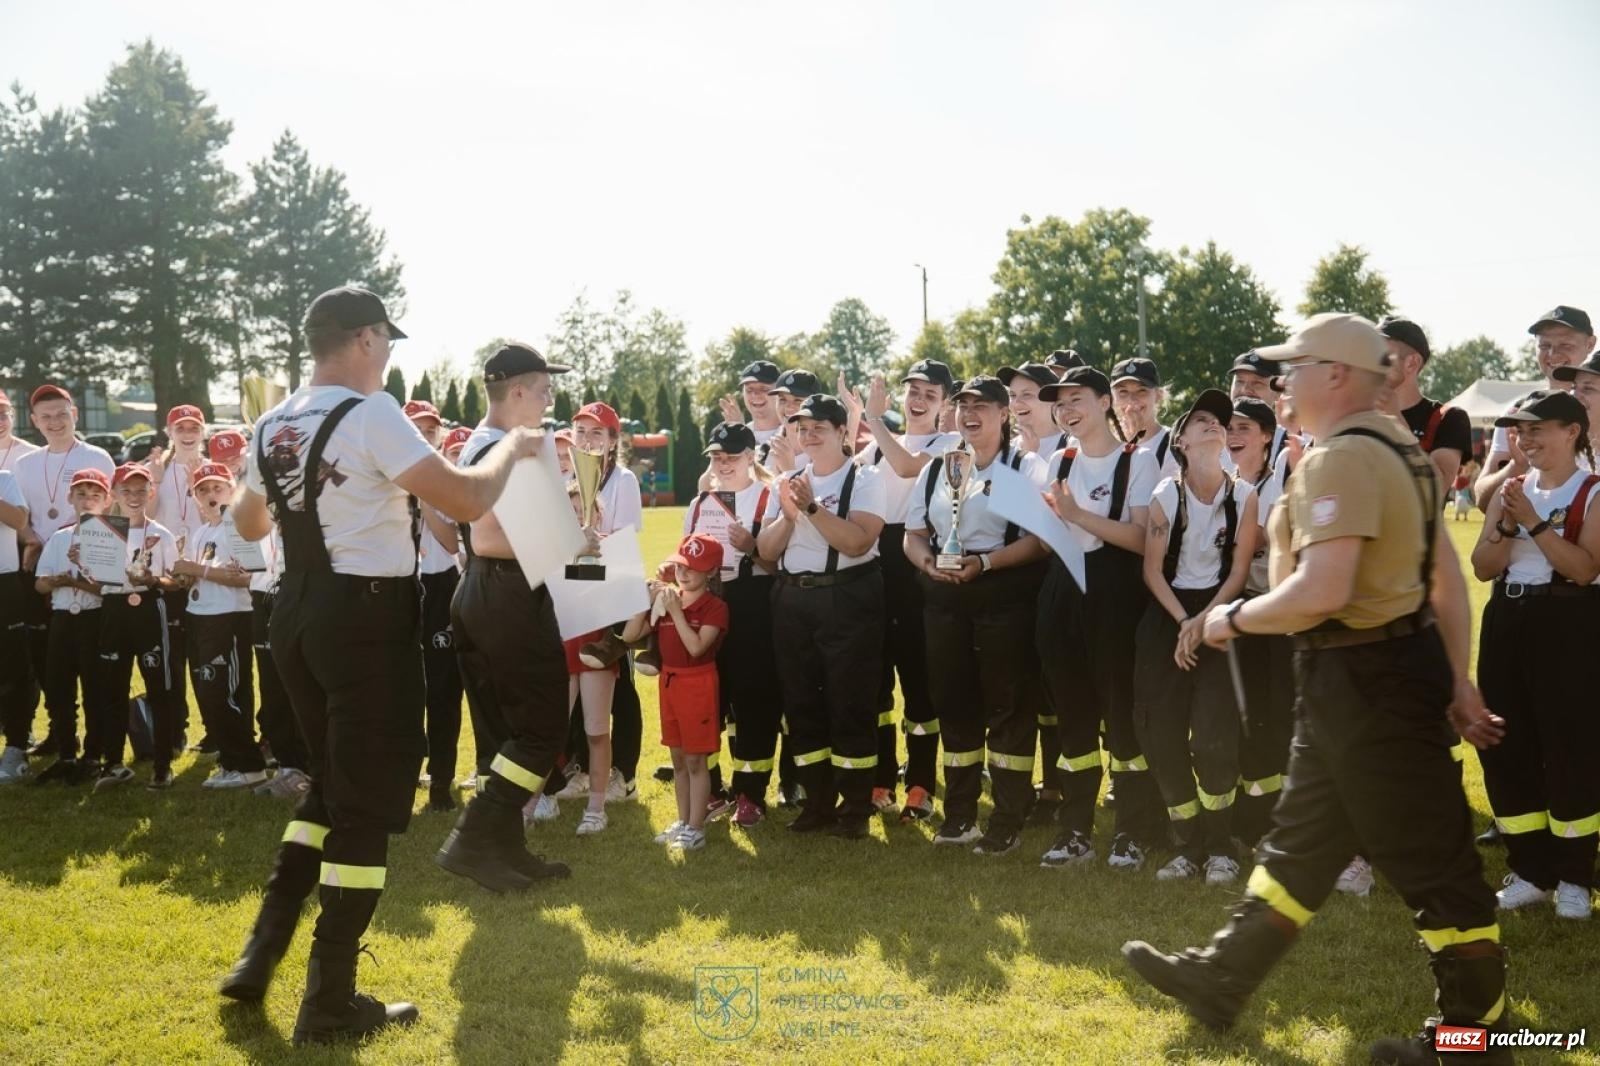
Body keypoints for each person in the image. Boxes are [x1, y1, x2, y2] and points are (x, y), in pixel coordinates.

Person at [1123, 313, 1511, 1064]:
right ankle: (1221, 979)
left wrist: (1227, 618)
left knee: (1437, 867)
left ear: (1334, 373)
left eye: (1293, 367)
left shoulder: (1340, 460)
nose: (1279, 383)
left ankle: (1474, 1040)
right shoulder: (1400, 445)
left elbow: (1321, 589)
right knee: (1301, 844)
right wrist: (1457, 678)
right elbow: (1444, 579)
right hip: (1371, 674)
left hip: (1366, 680)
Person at [217, 290, 544, 1044]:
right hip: (364, 619)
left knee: (333, 783)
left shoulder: (273, 421)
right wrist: (513, 449)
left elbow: (247, 520)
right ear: (364, 340)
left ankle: (261, 952)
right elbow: (462, 500)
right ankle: (331, 999)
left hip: (293, 610)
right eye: (386, 343)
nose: (388, 355)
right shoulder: (370, 413)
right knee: (363, 809)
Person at [434, 342, 575, 891]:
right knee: (541, 731)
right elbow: (491, 538)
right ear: (516, 391)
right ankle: (474, 838)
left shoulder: (481, 443)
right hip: (508, 594)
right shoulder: (505, 448)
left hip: (485, 595)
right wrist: (567, 542)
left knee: (507, 732)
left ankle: (505, 849)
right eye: (544, 389)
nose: (549, 398)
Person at [904, 375, 1049, 855]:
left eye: (982, 406)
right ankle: (960, 814)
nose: (970, 414)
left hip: (1004, 593)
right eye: (963, 405)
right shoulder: (937, 469)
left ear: (1004, 414)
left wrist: (985, 563)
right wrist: (928, 564)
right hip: (945, 596)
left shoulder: (1024, 466)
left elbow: (1040, 541)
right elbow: (913, 534)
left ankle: (1007, 817)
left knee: (1007, 707)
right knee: (954, 703)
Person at [1470, 390, 1599, 921]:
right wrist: (1507, 518)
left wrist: (1537, 524)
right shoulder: (1511, 489)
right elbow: (1482, 565)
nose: (1526, 439)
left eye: (1538, 428)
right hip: (1508, 616)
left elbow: (1585, 569)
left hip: (1568, 620)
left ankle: (1574, 876)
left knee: (1568, 746)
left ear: (1572, 432)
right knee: (1507, 742)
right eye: (1520, 431)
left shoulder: (1591, 490)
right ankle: (1530, 869)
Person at [1034, 365, 1164, 870]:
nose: (1066, 410)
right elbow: (1050, 539)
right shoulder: (1058, 460)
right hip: (1064, 589)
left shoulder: (1139, 461)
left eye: (1076, 399)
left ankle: (1132, 830)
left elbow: (1138, 538)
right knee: (1073, 714)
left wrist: (1079, 517)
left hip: (1114, 594)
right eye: (1059, 403)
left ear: (1104, 402)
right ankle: (1076, 829)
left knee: (1122, 713)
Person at [1134, 390, 1257, 884]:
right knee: (1161, 733)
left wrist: (1202, 621)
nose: (1214, 426)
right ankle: (1186, 845)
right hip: (1167, 613)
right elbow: (1152, 572)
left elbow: (1239, 572)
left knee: (1214, 736)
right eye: (1201, 421)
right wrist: (1182, 622)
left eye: (1220, 422)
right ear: (1181, 441)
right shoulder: (1167, 495)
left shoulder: (1244, 496)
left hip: (1219, 613)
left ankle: (1220, 844)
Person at [757, 393, 887, 840]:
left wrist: (812, 508)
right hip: (794, 600)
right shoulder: (788, 480)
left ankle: (854, 807)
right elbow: (766, 552)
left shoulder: (865, 477)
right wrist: (790, 517)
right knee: (801, 702)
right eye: (802, 428)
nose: (808, 435)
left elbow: (856, 543)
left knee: (849, 702)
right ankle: (816, 802)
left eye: (818, 428)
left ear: (840, 433)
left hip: (847, 599)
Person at [854, 360, 956, 819]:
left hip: (917, 563)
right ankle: (880, 782)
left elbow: (907, 464)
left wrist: (872, 420)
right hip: (874, 568)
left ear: (944, 403)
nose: (918, 399)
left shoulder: (948, 443)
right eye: (912, 390)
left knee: (919, 684)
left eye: (929, 393)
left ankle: (920, 785)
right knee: (875, 684)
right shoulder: (875, 448)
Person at [10, 385, 116, 770]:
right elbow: (21, 516)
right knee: (46, 659)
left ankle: (97, 741)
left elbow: (107, 507)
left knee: (91, 659)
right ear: (35, 422)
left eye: (61, 414)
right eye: (46, 417)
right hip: (41, 564)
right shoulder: (25, 463)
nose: (55, 422)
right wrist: (32, 539)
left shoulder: (96, 456)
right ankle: (60, 734)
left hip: (89, 565)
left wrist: (69, 538)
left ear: (75, 414)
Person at [682, 422, 780, 827]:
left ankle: (750, 794)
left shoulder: (769, 497)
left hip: (753, 604)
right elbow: (687, 558)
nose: (723, 464)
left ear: (751, 456)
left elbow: (777, 564)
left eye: (731, 456)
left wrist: (752, 547)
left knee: (755, 701)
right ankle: (714, 789)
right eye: (716, 457)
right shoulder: (699, 502)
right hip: (709, 602)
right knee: (709, 700)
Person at [1224, 397, 1295, 847]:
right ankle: (1248, 822)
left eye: (1245, 427)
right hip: (1235, 610)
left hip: (1277, 611)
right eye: (1228, 427)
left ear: (1268, 435)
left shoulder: (1283, 478)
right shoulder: (1218, 479)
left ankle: (1284, 822)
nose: (1233, 435)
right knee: (1243, 720)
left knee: (1279, 718)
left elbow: (1277, 536)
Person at [631, 532, 729, 850]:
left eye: (692, 568)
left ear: (711, 572)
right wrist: (643, 602)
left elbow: (697, 647)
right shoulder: (669, 598)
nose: (683, 573)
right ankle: (684, 820)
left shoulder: (714, 607)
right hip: (669, 683)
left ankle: (696, 828)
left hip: (697, 683)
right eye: (680, 565)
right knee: (677, 758)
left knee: (696, 761)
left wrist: (675, 613)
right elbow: (631, 634)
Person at [171, 462, 263, 790]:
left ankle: (250, 765)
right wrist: (183, 576)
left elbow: (248, 576)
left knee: (225, 691)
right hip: (200, 615)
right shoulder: (201, 531)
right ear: (194, 497)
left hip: (228, 617)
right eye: (203, 489)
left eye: (217, 487)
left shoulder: (237, 525)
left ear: (231, 490)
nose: (211, 494)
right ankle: (229, 760)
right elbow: (200, 574)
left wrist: (198, 570)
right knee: (208, 693)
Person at [93, 462, 182, 790]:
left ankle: (162, 765)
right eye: (126, 490)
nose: (134, 496)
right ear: (113, 493)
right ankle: (113, 764)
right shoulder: (101, 529)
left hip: (148, 607)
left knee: (160, 687)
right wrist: (81, 564)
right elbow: (96, 581)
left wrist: (152, 578)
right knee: (112, 687)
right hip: (114, 609)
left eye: (141, 490)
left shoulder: (161, 533)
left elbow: (175, 580)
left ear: (151, 492)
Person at [27, 468, 109, 785]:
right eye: (81, 494)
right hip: (63, 618)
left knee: (94, 689)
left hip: (94, 618)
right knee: (60, 689)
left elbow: (106, 589)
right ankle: (65, 754)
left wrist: (74, 578)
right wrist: (57, 581)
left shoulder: (110, 535)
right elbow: (40, 585)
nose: (87, 500)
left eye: (95, 495)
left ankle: (93, 756)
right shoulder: (60, 537)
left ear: (105, 500)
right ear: (69, 498)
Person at [405, 400, 465, 813]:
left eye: (430, 431)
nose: (423, 438)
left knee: (443, 690)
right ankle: (406, 773)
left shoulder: (448, 481)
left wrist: (424, 495)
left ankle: (441, 780)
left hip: (442, 585)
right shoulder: (383, 481)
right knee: (403, 691)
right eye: (415, 430)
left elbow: (449, 541)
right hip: (397, 587)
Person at [1474, 305, 1593, 511]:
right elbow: (1483, 501)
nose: (1553, 354)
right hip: (1524, 540)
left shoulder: (1594, 409)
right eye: (1544, 345)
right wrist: (1516, 466)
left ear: (1590, 344)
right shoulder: (1517, 413)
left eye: (1565, 344)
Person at [148, 403, 210, 753]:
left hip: (205, 571)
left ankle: (215, 729)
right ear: (169, 433)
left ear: (202, 432)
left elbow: (218, 518)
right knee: (172, 657)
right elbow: (147, 515)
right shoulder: (156, 468)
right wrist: (156, 480)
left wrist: (198, 481)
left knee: (206, 656)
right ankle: (176, 730)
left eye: (193, 428)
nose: (187, 435)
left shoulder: (214, 469)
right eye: (180, 429)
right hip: (167, 573)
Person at [1376, 317, 1473, 491]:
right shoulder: (1359, 412)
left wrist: (1394, 418)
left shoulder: (1449, 418)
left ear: (1412, 362)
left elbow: (1437, 487)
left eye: (1381, 353)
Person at [0, 456, 29, 783]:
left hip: (4, 583)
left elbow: (20, 522)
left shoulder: (5, 478)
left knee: (11, 668)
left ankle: (17, 748)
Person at [1110, 357, 1179, 478]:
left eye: (1142, 391)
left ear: (1158, 396)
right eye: (1123, 392)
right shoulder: (1104, 443)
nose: (1131, 400)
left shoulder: (1173, 445)